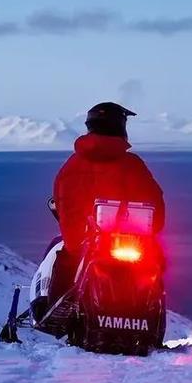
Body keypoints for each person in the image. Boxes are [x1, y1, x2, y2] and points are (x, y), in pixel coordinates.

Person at [47, 101, 165, 303]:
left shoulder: (72, 166)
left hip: (81, 241)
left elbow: (61, 201)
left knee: (65, 259)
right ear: (120, 127)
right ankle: (148, 304)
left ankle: (57, 303)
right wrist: (151, 231)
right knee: (158, 261)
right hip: (131, 241)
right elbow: (155, 203)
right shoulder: (132, 165)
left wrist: (74, 234)